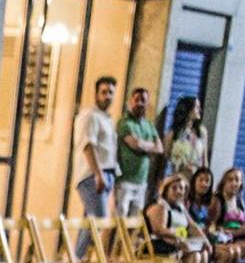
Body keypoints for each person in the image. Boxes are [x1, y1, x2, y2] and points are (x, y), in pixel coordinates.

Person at [143, 174, 206, 263]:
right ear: (166, 190)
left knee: (204, 254)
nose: (179, 191)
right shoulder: (159, 206)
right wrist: (179, 239)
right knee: (194, 255)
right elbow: (159, 229)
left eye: (182, 189)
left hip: (177, 243)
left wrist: (205, 241)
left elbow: (192, 225)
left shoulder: (180, 207)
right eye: (175, 188)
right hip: (158, 244)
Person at [74, 76, 120, 224]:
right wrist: (98, 174)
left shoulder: (106, 119)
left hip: (106, 174)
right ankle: (80, 248)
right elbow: (88, 146)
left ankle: (78, 249)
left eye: (111, 93)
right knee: (99, 220)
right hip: (92, 176)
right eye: (104, 92)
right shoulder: (90, 116)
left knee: (91, 223)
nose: (108, 96)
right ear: (96, 95)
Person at [115, 87, 163, 216]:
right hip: (125, 180)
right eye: (136, 100)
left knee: (134, 221)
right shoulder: (125, 123)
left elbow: (159, 148)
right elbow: (135, 144)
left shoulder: (149, 125)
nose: (140, 103)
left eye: (143, 100)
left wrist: (143, 144)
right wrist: (148, 145)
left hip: (142, 181)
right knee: (119, 221)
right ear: (130, 101)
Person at [165, 96, 208, 181]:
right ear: (187, 110)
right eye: (197, 107)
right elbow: (167, 157)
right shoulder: (173, 134)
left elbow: (204, 159)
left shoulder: (201, 132)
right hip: (178, 179)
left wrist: (206, 177)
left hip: (196, 179)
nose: (200, 110)